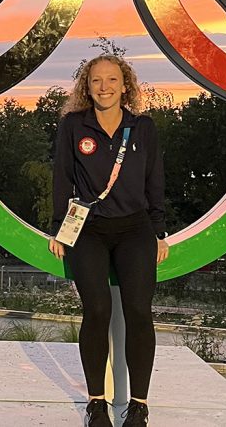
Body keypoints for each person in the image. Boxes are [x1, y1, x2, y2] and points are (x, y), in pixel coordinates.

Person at [48, 55, 169, 427]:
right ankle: (96, 403)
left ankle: (139, 405)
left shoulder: (142, 127)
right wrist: (58, 227)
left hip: (135, 230)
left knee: (138, 311)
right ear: (87, 86)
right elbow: (61, 177)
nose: (105, 87)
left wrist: (159, 231)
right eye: (97, 80)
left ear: (125, 85)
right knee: (97, 310)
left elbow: (155, 180)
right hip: (89, 230)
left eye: (112, 80)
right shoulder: (73, 125)